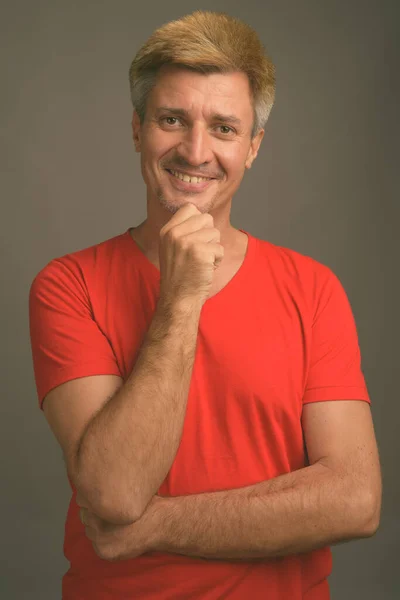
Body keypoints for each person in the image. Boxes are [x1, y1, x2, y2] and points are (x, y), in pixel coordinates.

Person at [29, 10, 382, 600]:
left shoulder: (314, 289)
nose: (196, 151)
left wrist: (156, 523)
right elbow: (115, 491)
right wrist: (181, 296)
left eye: (223, 128)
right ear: (138, 129)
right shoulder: (68, 286)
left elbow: (355, 499)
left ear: (253, 146)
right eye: (172, 119)